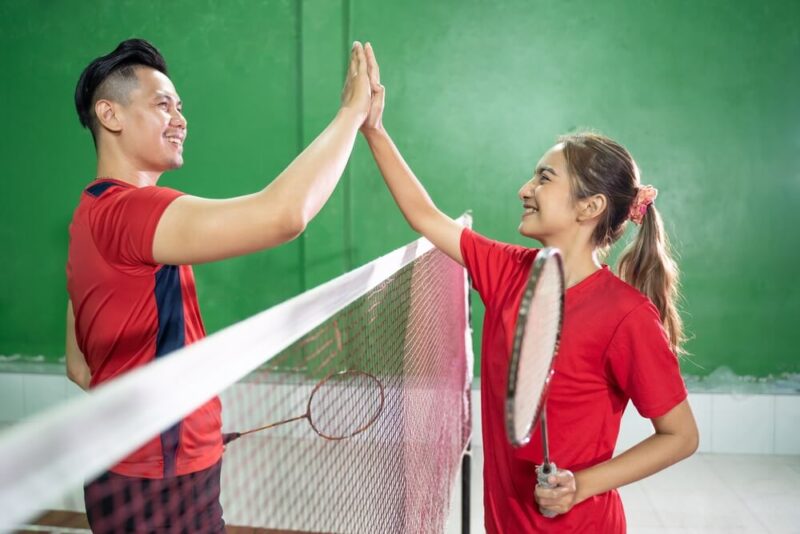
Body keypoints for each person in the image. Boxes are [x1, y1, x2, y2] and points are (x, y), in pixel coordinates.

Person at [359, 43, 699, 533]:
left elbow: (681, 436)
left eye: (544, 178)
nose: (525, 188)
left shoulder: (626, 316)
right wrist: (373, 129)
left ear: (589, 207)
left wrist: (582, 485)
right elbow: (422, 215)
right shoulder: (507, 270)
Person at [66, 38, 370, 532]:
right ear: (111, 115)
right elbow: (283, 215)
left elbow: (81, 368)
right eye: (162, 104)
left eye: (180, 107)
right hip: (162, 484)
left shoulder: (88, 215)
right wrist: (351, 114)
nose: (180, 119)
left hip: (123, 469)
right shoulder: (130, 211)